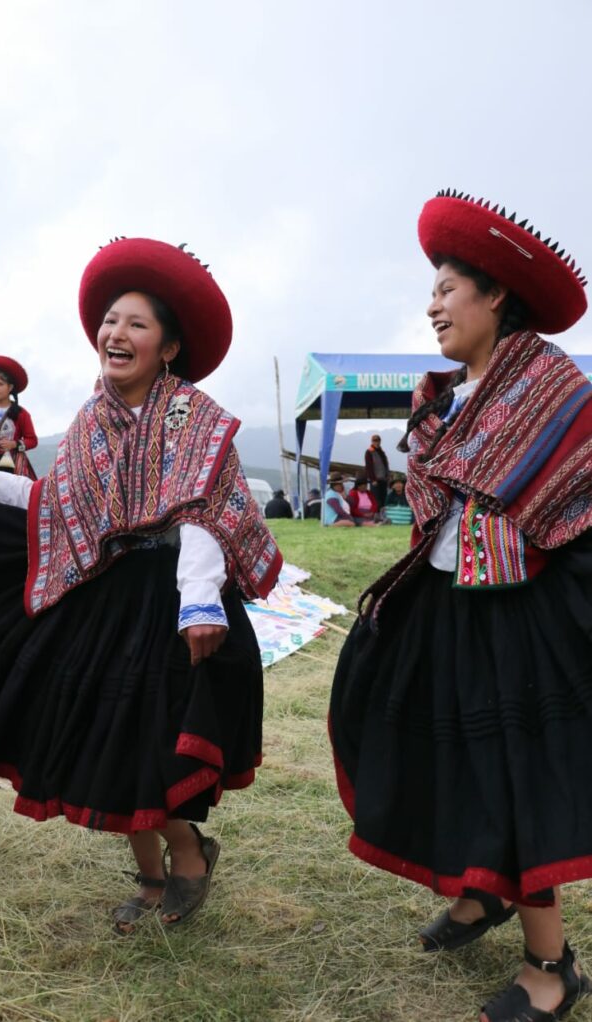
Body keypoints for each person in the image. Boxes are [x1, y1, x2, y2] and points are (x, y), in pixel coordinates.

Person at [0, 237, 282, 931]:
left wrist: (200, 603)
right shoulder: (94, 417)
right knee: (99, 736)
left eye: (136, 324)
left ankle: (188, 854)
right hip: (106, 593)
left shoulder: (190, 418)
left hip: (173, 595)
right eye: (111, 321)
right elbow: (64, 500)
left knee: (149, 738)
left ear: (167, 347)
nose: (116, 334)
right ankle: (148, 877)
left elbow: (197, 510)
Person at [329, 190, 592, 1021]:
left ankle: (552, 968)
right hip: (442, 602)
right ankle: (480, 895)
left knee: (513, 772)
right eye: (431, 290)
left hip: (519, 613)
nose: (432, 304)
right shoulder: (437, 403)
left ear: (495, 296)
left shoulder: (553, 388)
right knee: (433, 748)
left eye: (448, 288)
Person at [364, 434, 389, 509]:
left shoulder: (382, 452)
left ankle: (383, 516)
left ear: (380, 441)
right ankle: (376, 516)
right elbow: (369, 467)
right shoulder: (369, 452)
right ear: (372, 442)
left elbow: (385, 465)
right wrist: (373, 479)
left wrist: (387, 475)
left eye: (378, 441)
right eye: (375, 441)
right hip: (375, 481)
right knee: (376, 499)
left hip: (383, 479)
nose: (377, 442)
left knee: (384, 498)